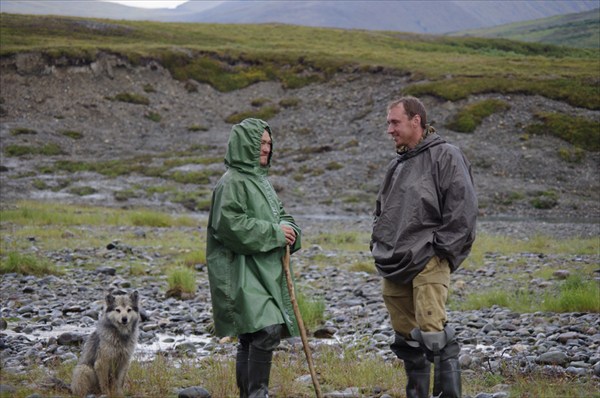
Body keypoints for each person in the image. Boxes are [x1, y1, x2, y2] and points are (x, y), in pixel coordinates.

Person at [371, 97, 477, 398]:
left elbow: (463, 209)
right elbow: (382, 211)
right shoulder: (396, 165)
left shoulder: (446, 156)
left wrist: (440, 250)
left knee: (432, 331)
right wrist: (378, 242)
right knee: (406, 336)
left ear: (415, 121)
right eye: (388, 123)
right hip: (394, 260)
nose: (390, 129)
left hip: (429, 257)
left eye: (395, 122)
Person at [206, 118, 301, 398]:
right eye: (260, 143)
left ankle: (251, 394)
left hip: (264, 270)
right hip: (240, 271)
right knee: (264, 330)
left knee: (254, 333)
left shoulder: (261, 181)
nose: (266, 149)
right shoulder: (231, 182)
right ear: (244, 144)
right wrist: (275, 232)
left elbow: (282, 216)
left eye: (269, 143)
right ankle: (257, 394)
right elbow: (229, 226)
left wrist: (291, 230)